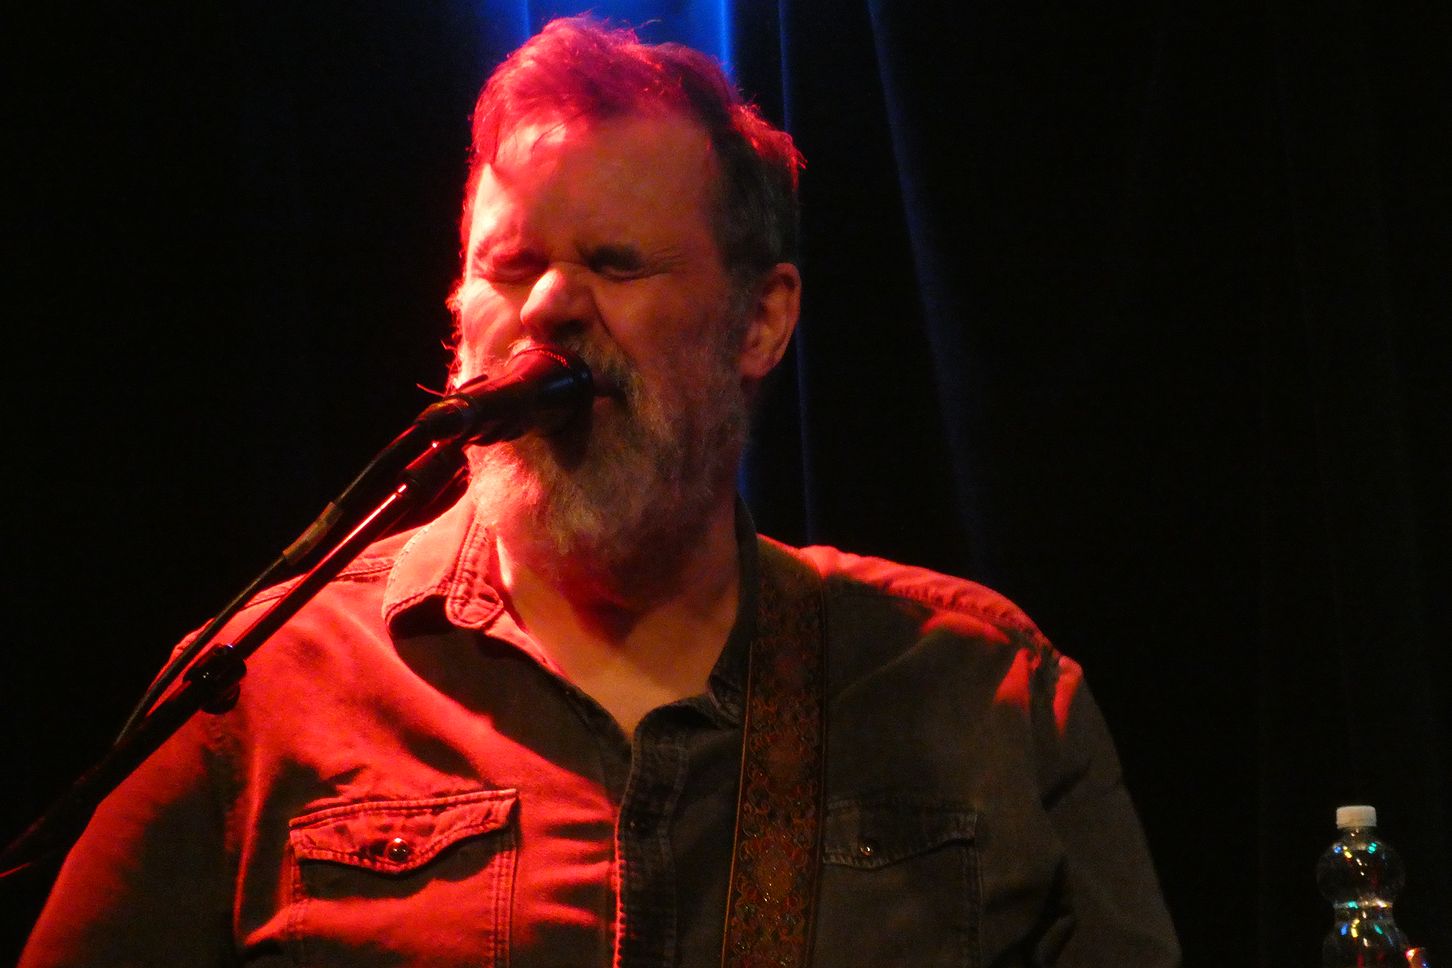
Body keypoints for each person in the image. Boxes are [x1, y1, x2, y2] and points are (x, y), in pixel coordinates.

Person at [21, 16, 1180, 967]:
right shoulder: (256, 691)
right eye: (510, 266)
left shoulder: (982, 693)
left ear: (762, 319)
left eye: (615, 263)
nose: (546, 309)